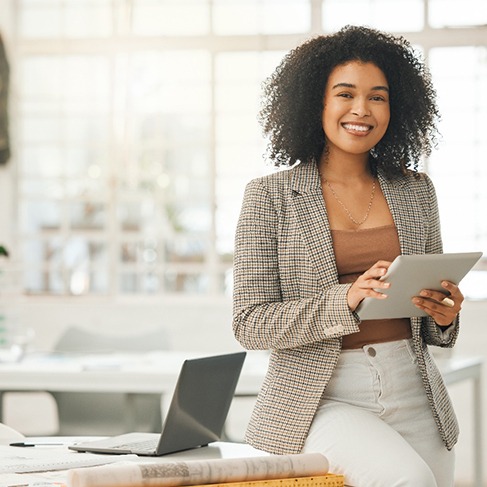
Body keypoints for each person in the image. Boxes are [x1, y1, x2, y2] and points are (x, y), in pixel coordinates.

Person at [232, 25, 463, 487]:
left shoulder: (417, 191)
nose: (362, 110)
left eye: (378, 97)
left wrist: (444, 314)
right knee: (408, 480)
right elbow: (249, 323)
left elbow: (436, 326)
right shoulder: (269, 196)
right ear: (315, 102)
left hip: (414, 387)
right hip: (324, 395)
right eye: (345, 94)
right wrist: (346, 299)